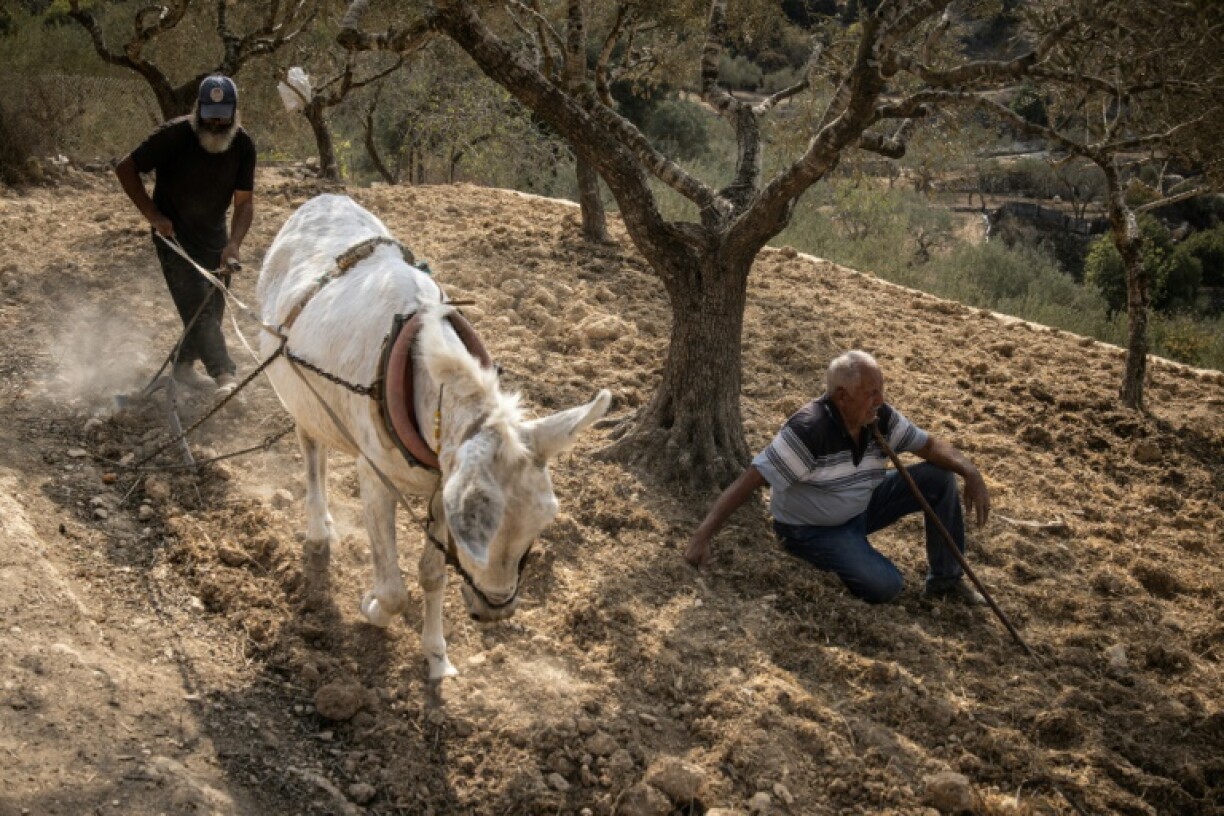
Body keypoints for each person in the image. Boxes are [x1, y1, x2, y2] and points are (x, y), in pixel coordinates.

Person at [685, 350, 991, 605]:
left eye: (881, 391)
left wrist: (970, 471)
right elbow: (751, 479)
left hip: (863, 506)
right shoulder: (809, 430)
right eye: (871, 393)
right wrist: (703, 535)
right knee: (887, 586)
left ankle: (946, 581)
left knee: (940, 477)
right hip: (813, 530)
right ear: (842, 396)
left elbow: (929, 446)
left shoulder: (878, 417)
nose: (880, 400)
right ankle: (833, 552)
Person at [115, 74, 256, 396]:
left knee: (213, 307)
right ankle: (225, 376)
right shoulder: (174, 136)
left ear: (235, 112)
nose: (216, 124)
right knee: (197, 305)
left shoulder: (244, 145)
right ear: (198, 111)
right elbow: (126, 168)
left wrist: (233, 244)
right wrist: (153, 214)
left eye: (223, 116)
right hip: (173, 236)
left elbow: (245, 202)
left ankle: (182, 369)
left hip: (216, 237)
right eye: (210, 116)